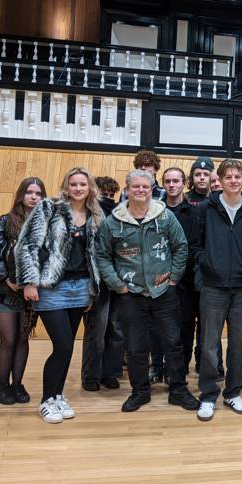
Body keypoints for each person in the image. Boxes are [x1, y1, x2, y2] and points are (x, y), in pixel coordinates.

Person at [96, 169, 199, 414]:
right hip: (130, 294)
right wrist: (118, 285)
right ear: (127, 190)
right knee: (135, 347)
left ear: (152, 189)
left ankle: (178, 389)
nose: (141, 190)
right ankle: (140, 391)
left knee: (173, 343)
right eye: (136, 187)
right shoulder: (113, 221)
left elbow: (181, 246)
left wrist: (173, 278)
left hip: (164, 292)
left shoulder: (164, 216)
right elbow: (103, 256)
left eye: (145, 186)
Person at [16, 167, 103, 424]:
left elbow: (96, 254)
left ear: (89, 188)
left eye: (82, 184)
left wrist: (93, 290)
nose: (78, 188)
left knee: (68, 348)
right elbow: (27, 245)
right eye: (73, 184)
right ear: (66, 186)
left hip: (81, 287)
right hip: (52, 288)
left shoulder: (96, 214)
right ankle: (46, 400)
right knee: (62, 345)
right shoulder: (49, 208)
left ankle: (57, 395)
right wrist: (29, 282)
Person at [190, 159, 242, 421]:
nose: (233, 181)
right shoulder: (205, 208)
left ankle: (233, 392)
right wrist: (207, 263)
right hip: (213, 286)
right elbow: (195, 245)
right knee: (209, 344)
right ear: (219, 180)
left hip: (241, 286)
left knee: (239, 343)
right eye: (228, 177)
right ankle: (209, 395)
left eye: (237, 176)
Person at [0, 177, 46, 405]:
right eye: (29, 192)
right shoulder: (5, 221)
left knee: (22, 339)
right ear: (21, 195)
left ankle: (18, 384)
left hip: (30, 294)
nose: (34, 197)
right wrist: (5, 279)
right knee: (8, 340)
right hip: (4, 291)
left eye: (38, 193)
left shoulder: (46, 224)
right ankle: (3, 385)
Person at [81, 174, 125, 392]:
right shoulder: (88, 215)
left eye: (111, 194)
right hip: (97, 282)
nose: (107, 197)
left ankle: (111, 373)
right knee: (96, 331)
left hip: (118, 280)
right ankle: (91, 375)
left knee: (117, 330)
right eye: (103, 194)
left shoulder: (119, 213)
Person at [163, 167, 200, 375]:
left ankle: (181, 367)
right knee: (160, 326)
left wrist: (177, 272)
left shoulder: (193, 212)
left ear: (184, 183)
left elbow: (192, 246)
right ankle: (159, 366)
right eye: (168, 181)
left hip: (186, 280)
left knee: (186, 325)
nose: (172, 185)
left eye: (176, 181)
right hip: (159, 279)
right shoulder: (157, 210)